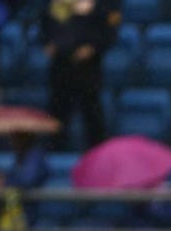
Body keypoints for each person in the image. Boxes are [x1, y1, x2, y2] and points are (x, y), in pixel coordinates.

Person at [40, 0, 120, 151]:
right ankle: (54, 153)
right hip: (61, 65)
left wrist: (94, 47)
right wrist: (47, 42)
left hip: (88, 68)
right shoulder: (57, 4)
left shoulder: (103, 6)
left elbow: (110, 29)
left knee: (92, 114)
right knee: (58, 113)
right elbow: (45, 22)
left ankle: (98, 154)